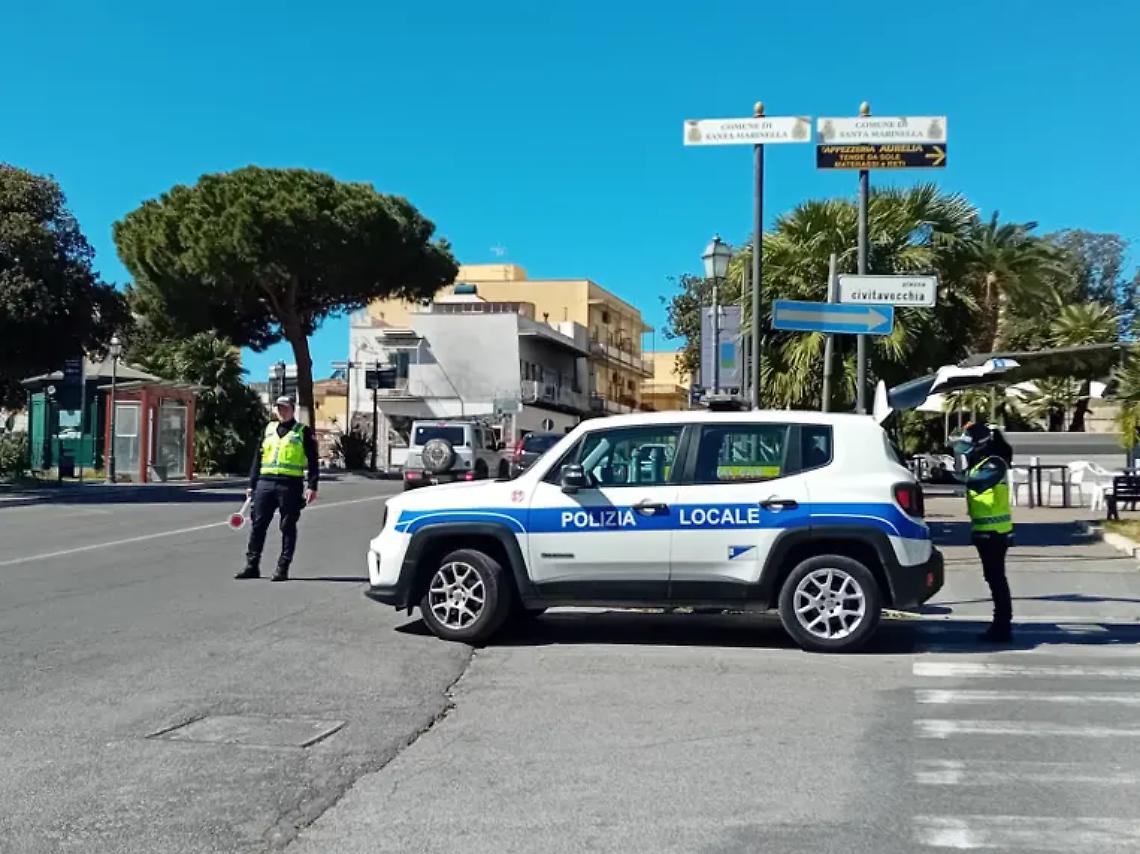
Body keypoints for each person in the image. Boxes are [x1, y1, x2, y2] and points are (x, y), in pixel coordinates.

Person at [236, 396, 319, 581]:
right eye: (279, 408)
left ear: (293, 409)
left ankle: (283, 567)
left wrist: (312, 485)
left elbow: (313, 461)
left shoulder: (302, 431)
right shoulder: (268, 429)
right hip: (265, 483)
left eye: (285, 408)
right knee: (258, 524)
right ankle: (252, 565)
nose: (282, 411)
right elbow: (257, 459)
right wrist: (251, 484)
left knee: (287, 526)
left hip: (290, 484)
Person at [952, 422, 1015, 642]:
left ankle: (1002, 626)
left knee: (997, 579)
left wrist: (951, 476)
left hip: (996, 533)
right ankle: (1000, 624)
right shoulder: (980, 463)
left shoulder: (995, 464)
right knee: (992, 577)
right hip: (983, 532)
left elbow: (978, 484)